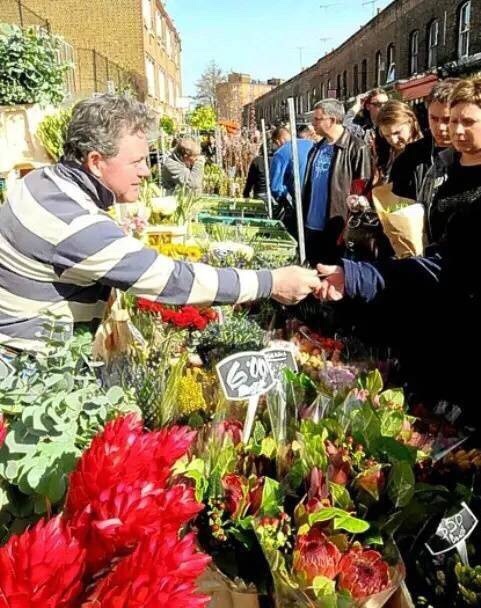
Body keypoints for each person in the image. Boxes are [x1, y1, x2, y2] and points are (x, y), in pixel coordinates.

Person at [0, 94, 322, 361]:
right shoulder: (73, 222)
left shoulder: (44, 180)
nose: (146, 172)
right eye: (136, 162)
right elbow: (171, 281)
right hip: (30, 367)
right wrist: (271, 281)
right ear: (96, 161)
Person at [315, 78, 481, 416]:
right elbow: (441, 258)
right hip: (442, 310)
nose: (455, 130)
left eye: (468, 122)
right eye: (451, 121)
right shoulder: (452, 173)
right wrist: (355, 275)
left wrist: (357, 276)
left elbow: (447, 260)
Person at [303, 99, 371, 265]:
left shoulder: (356, 148)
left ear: (332, 120)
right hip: (311, 227)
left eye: (317, 119)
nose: (313, 124)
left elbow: (362, 188)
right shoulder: (317, 148)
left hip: (337, 228)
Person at [390, 79, 460, 201]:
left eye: (447, 119)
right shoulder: (408, 158)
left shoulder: (474, 159)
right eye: (433, 118)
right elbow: (394, 205)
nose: (440, 127)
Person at [270, 126, 313, 229]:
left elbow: (276, 187)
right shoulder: (311, 144)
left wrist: (284, 198)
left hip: (297, 200)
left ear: (279, 141)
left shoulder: (281, 153)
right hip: (316, 198)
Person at [375, 100, 423, 183]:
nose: (393, 140)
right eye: (387, 136)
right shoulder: (387, 154)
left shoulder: (425, 155)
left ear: (410, 123)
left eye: (397, 133)